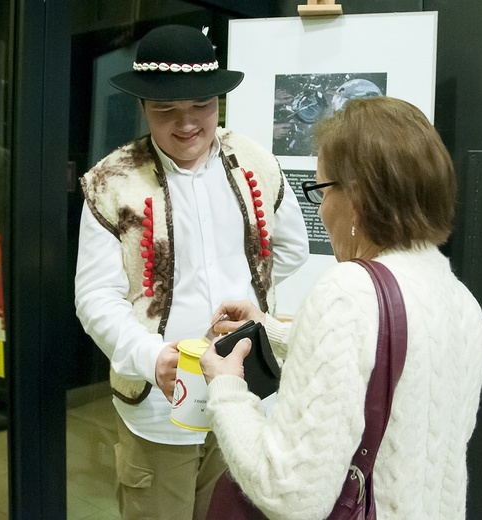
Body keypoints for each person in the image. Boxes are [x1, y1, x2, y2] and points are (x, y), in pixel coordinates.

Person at [200, 96, 482, 519]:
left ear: (356, 198)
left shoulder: (348, 290)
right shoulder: (465, 305)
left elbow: (291, 492)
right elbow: (390, 369)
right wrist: (269, 327)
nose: (319, 207)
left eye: (320, 188)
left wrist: (226, 389)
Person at [74, 24, 309, 520]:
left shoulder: (253, 163)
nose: (187, 124)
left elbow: (290, 248)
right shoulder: (111, 182)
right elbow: (95, 296)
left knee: (232, 510)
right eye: (166, 111)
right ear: (142, 107)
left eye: (201, 106)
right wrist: (149, 354)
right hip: (158, 405)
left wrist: (249, 295)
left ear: (218, 100)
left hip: (242, 388)